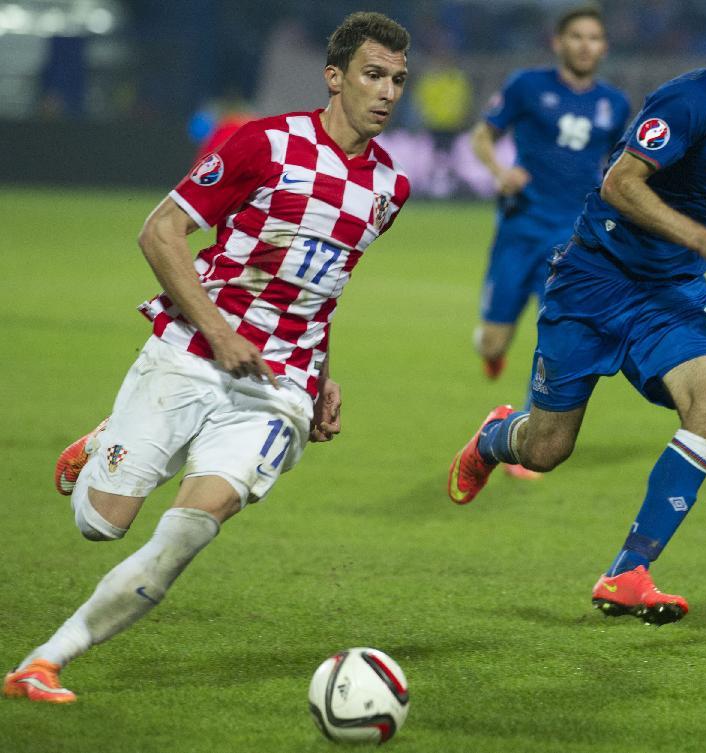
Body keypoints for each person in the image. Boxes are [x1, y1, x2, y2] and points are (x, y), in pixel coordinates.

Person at [4, 11, 411, 704]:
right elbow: (160, 232)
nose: (388, 92)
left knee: (191, 528)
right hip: (191, 351)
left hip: (277, 387)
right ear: (335, 77)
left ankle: (45, 660)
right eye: (374, 75)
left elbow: (321, 290)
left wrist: (319, 377)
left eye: (400, 80)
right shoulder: (265, 144)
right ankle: (105, 441)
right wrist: (221, 331)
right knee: (100, 523)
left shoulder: (388, 188)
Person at [448, 9, 706, 624]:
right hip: (594, 280)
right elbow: (619, 183)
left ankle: (627, 571)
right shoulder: (687, 101)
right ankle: (494, 437)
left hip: (671, 292)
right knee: (546, 450)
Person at [469, 6, 629, 478]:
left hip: (572, 239)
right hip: (520, 231)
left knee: (555, 333)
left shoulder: (614, 104)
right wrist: (500, 171)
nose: (585, 45)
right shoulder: (526, 86)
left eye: (594, 37)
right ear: (558, 43)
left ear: (603, 47)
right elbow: (483, 134)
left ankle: (529, 432)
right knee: (492, 341)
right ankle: (493, 354)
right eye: (576, 36)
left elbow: (621, 166)